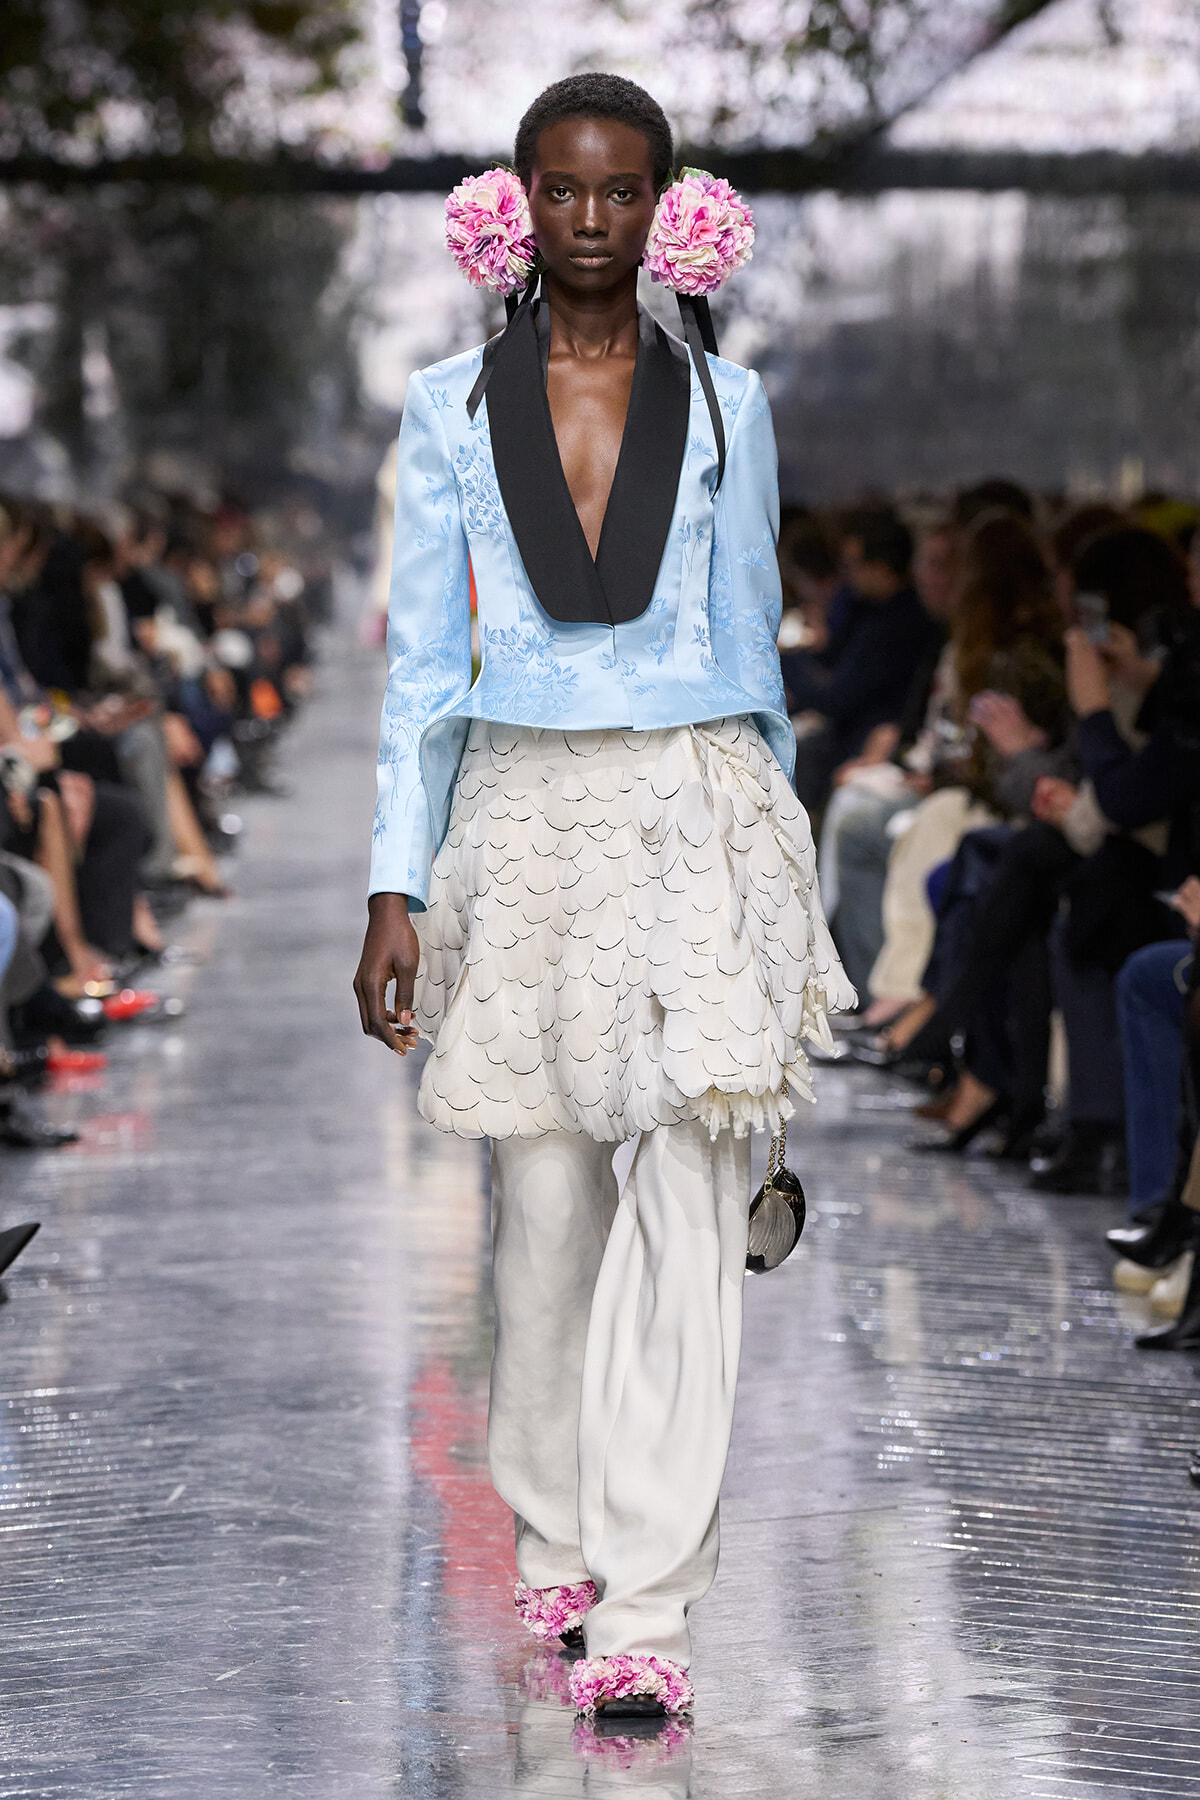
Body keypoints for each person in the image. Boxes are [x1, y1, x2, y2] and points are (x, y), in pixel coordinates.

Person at [354, 74, 852, 1721]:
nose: (589, 219)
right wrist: (391, 886)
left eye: (620, 191)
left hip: (697, 810)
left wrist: (789, 878)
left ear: (664, 207)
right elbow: (426, 666)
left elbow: (760, 649)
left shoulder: (730, 407)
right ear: (516, 201)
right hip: (524, 820)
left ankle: (651, 1603)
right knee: (550, 1215)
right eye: (561, 190)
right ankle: (558, 1525)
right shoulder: (442, 407)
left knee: (695, 1202)